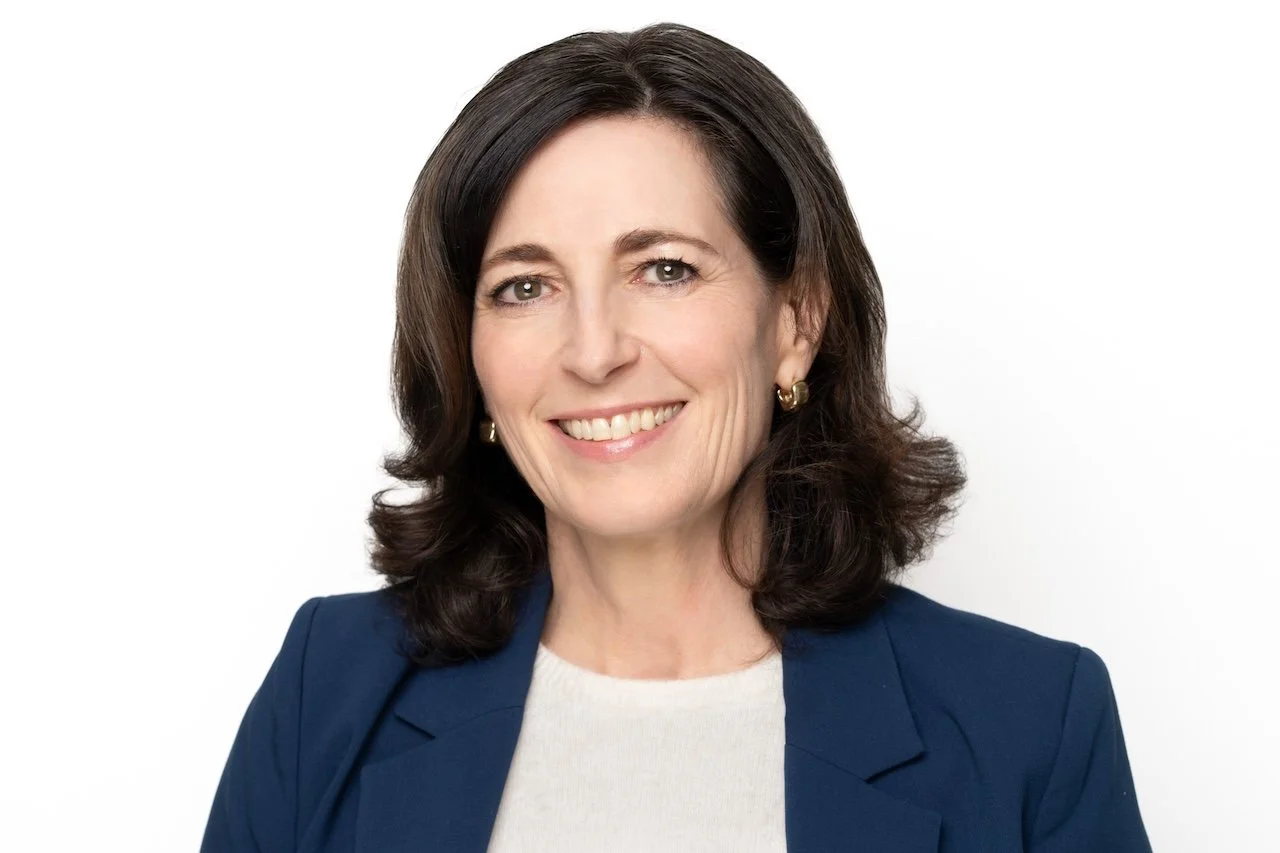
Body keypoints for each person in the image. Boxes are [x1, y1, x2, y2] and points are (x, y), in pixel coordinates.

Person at [201, 22, 1151, 853]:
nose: (594, 352)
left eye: (664, 269)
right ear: (470, 354)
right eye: (524, 287)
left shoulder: (1029, 725)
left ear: (796, 322)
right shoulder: (328, 692)